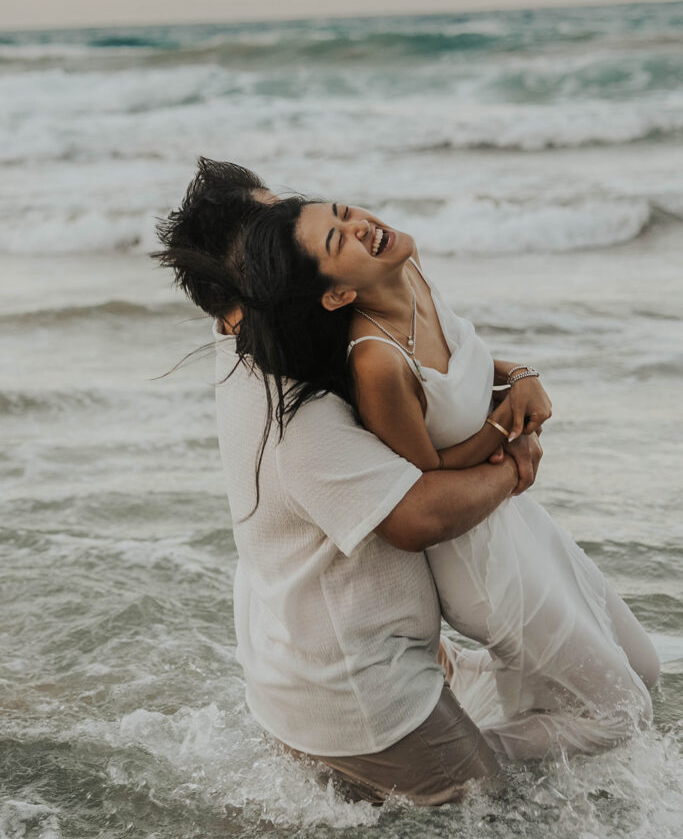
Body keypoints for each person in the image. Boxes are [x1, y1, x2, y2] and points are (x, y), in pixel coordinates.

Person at [154, 159, 544, 805]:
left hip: (314, 651)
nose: (295, 228)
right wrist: (513, 459)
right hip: (356, 688)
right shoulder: (292, 413)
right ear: (253, 275)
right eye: (277, 230)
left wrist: (516, 374)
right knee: (495, 823)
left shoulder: (274, 334)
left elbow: (415, 364)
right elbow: (412, 517)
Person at [236, 194, 660, 762]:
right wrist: (508, 436)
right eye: (340, 240)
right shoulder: (375, 363)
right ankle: (467, 761)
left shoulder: (409, 271)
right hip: (479, 565)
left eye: (343, 212)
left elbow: (470, 365)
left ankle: (500, 731)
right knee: (619, 717)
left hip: (516, 524)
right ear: (336, 294)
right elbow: (424, 475)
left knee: (643, 668)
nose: (361, 226)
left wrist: (521, 378)